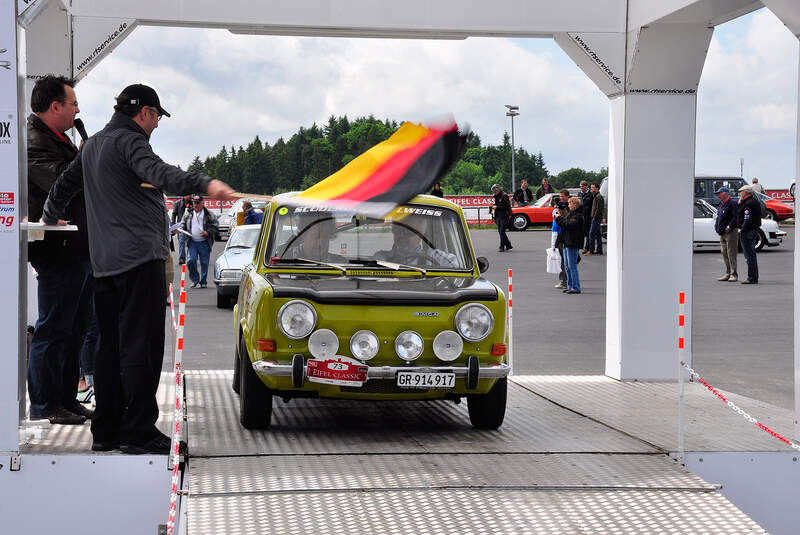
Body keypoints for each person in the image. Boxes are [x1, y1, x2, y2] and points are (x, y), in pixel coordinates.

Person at [42, 83, 235, 454]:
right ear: (145, 112)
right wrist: (205, 183)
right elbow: (160, 173)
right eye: (157, 117)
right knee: (141, 348)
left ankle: (107, 430)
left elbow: (61, 188)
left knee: (109, 349)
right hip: (138, 261)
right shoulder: (131, 143)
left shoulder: (94, 145)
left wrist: (49, 218)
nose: (157, 125)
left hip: (104, 266)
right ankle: (138, 431)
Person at [26, 75, 94, 425]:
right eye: (72, 103)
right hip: (56, 251)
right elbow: (59, 183)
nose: (77, 109)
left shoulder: (56, 139)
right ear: (55, 107)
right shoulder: (35, 142)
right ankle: (44, 404)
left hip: (77, 248)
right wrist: (84, 160)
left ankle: (66, 397)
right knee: (53, 328)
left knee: (74, 327)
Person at [375, 218, 458, 268]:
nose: (401, 235)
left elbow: (457, 267)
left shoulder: (434, 256)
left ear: (420, 235)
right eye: (397, 230)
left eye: (408, 232)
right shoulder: (382, 257)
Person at [182, 195, 219, 288]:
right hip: (192, 242)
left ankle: (203, 281)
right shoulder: (188, 213)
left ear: (203, 203)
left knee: (204, 263)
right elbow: (183, 223)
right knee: (191, 260)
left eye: (198, 203)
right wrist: (182, 227)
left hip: (204, 242)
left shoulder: (209, 214)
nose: (196, 205)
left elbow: (216, 226)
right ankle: (195, 280)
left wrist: (208, 232)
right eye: (194, 202)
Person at [555, 197, 584, 294]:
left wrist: (558, 218)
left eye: (570, 204)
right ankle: (571, 286)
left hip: (573, 243)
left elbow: (569, 225)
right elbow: (565, 224)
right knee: (567, 266)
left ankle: (576, 287)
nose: (568, 205)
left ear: (575, 205)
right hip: (567, 242)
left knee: (572, 266)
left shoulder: (578, 216)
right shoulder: (571, 214)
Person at [737, 185, 761, 284]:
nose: (739, 194)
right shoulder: (753, 201)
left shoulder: (748, 204)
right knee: (752, 255)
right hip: (753, 230)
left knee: (749, 255)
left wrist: (742, 230)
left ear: (746, 192)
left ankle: (751, 278)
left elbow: (747, 219)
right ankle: (754, 276)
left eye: (741, 192)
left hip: (748, 231)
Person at [714, 187, 738, 282]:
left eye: (719, 193)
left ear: (726, 193)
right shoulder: (721, 205)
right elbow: (718, 217)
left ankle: (734, 274)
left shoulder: (732, 204)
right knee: (724, 253)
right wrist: (716, 227)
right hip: (722, 233)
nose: (718, 195)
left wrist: (729, 226)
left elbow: (736, 217)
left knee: (731, 254)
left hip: (730, 232)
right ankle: (727, 273)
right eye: (717, 193)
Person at [490, 184, 513, 252]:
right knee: (500, 232)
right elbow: (497, 205)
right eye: (493, 191)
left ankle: (503, 246)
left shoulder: (504, 196)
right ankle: (506, 246)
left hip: (504, 215)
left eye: (495, 190)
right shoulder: (496, 196)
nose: (494, 192)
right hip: (498, 216)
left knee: (502, 231)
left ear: (498, 189)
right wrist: (493, 206)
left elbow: (506, 207)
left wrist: (496, 207)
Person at [552, 199, 568, 289]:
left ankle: (564, 281)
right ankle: (569, 280)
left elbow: (554, 233)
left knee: (563, 262)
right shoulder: (568, 217)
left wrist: (553, 246)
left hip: (561, 241)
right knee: (567, 262)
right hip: (568, 241)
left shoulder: (557, 219)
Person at [171, 194, 192, 264]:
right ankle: (182, 258)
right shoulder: (178, 203)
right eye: (188, 195)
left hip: (190, 226)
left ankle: (190, 257)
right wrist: (173, 225)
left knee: (190, 242)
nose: (190, 196)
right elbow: (174, 214)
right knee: (181, 242)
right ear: (184, 195)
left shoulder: (193, 203)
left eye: (191, 195)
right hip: (181, 226)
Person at [586, 183, 605, 255]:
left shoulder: (599, 197)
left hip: (596, 218)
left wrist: (594, 217)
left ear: (597, 188)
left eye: (593, 187)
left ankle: (591, 250)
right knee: (597, 234)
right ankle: (599, 250)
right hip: (595, 217)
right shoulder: (596, 196)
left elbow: (599, 209)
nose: (591, 189)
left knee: (591, 233)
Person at [578, 180, 593, 252]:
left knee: (588, 233)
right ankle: (581, 246)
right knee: (581, 232)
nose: (581, 188)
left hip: (588, 216)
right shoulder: (579, 194)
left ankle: (587, 248)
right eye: (580, 186)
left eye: (582, 186)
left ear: (586, 186)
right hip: (581, 216)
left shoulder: (590, 194)